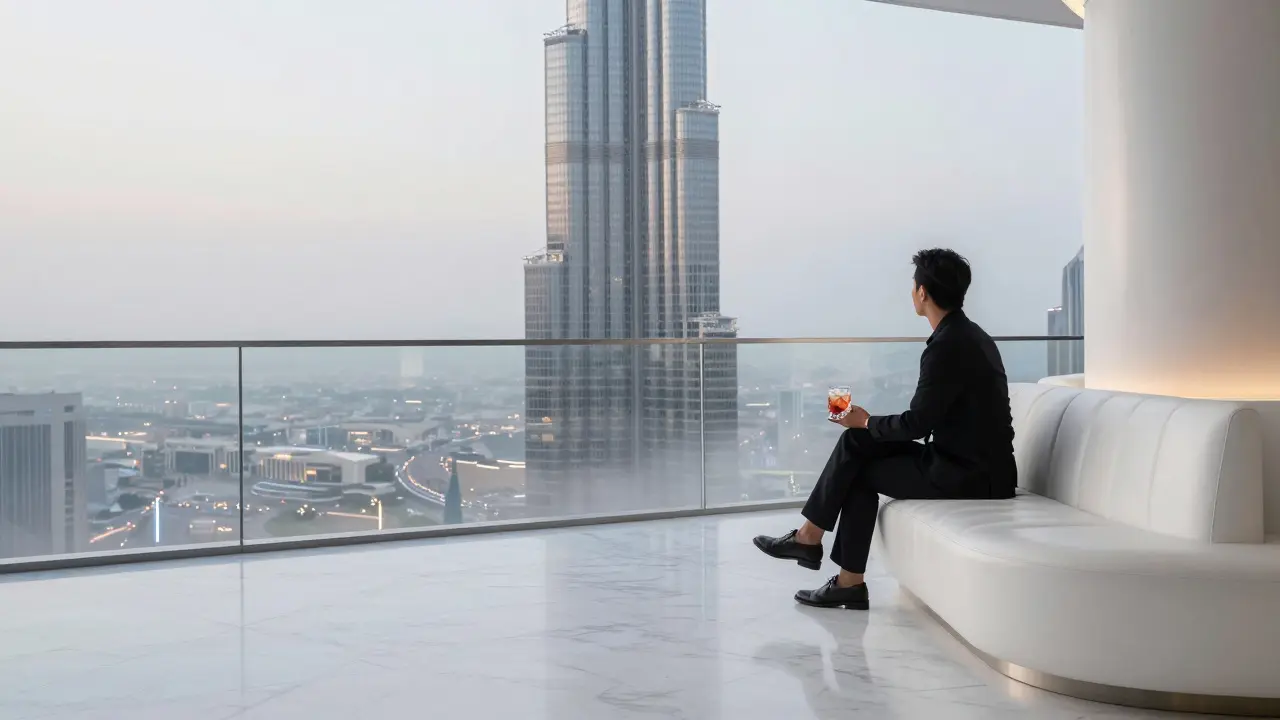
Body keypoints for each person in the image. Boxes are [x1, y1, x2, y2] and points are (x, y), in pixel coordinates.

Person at [754, 248, 1016, 610]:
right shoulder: (968, 336)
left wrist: (865, 420)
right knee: (856, 443)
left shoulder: (948, 346)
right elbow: (929, 418)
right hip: (975, 464)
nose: (911, 293)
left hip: (970, 474)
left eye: (913, 286)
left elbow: (918, 423)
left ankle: (820, 550)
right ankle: (829, 561)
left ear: (922, 293)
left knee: (858, 458)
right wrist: (865, 425)